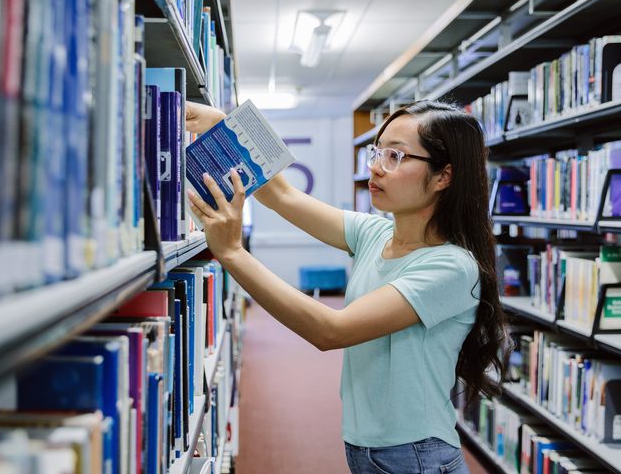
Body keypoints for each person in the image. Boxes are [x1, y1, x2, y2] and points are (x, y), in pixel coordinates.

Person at [184, 99, 509, 474]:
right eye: (377, 152)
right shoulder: (376, 232)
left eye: (395, 157)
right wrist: (225, 128)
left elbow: (331, 330)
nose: (375, 167)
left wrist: (233, 254)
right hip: (369, 448)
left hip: (414, 456)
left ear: (443, 177)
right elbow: (283, 195)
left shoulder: (451, 267)